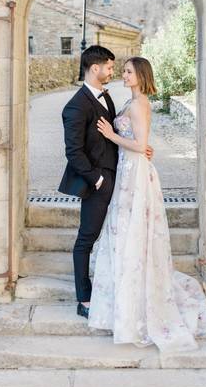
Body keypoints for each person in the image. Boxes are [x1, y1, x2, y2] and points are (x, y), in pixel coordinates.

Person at [87, 56, 206, 352]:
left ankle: (138, 311)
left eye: (129, 71)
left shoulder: (140, 103)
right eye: (124, 71)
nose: (124, 75)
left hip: (136, 174)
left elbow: (140, 144)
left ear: (141, 75)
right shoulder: (132, 102)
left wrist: (112, 135)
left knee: (133, 233)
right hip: (128, 171)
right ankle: (124, 306)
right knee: (123, 233)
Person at [58, 45, 153, 318]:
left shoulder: (108, 98)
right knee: (87, 238)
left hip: (122, 175)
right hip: (98, 182)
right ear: (95, 68)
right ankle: (84, 299)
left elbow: (122, 132)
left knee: (119, 233)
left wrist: (140, 147)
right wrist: (96, 178)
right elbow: (73, 151)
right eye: (110, 68)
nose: (114, 72)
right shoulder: (75, 106)